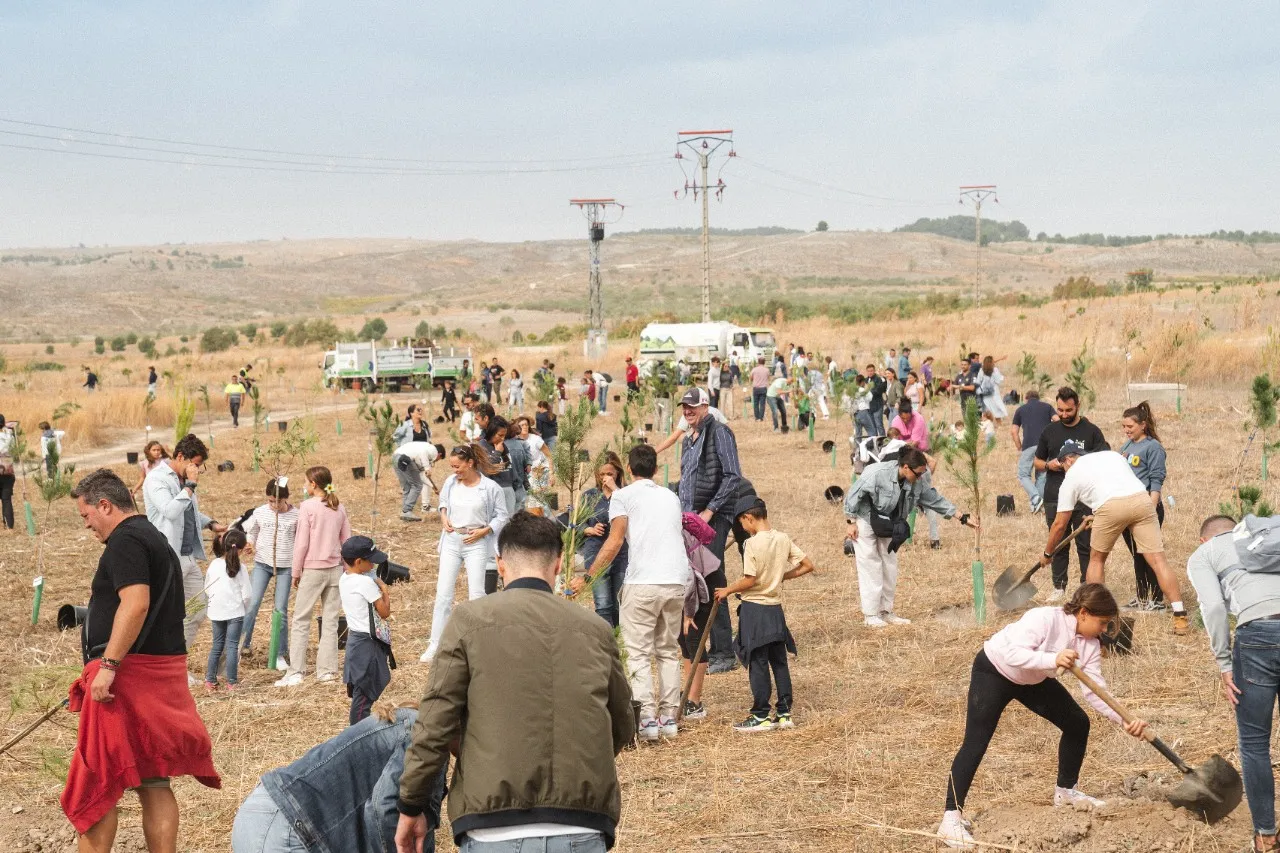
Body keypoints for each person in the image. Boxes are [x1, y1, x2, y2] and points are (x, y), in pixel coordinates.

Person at [395, 512, 634, 853]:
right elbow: (622, 724)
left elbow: (434, 726)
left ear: (501, 564)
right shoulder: (594, 628)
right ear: (558, 564)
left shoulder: (468, 621)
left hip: (492, 827)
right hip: (583, 822)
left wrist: (411, 804)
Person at [65, 468, 220, 851]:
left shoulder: (126, 541)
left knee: (98, 781)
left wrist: (109, 666)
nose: (88, 527)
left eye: (87, 516)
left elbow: (135, 604)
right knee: (153, 779)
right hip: (158, 673)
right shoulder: (156, 539)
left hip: (126, 678)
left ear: (105, 505)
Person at [937, 585, 1149, 849]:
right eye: (1102, 622)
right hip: (995, 671)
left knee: (1077, 723)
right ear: (1083, 613)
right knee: (976, 743)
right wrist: (1053, 658)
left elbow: (1095, 691)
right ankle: (950, 820)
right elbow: (1012, 654)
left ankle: (1066, 793)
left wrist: (1125, 719)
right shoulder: (1045, 618)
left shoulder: (1090, 643)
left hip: (1033, 678)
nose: (1104, 630)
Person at [577, 444, 690, 740]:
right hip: (676, 580)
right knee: (667, 650)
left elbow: (614, 542)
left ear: (628, 470)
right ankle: (670, 717)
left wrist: (587, 577)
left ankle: (647, 719)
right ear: (655, 469)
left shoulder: (622, 497)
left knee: (638, 652)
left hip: (643, 582)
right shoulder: (670, 496)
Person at [232, 703, 447, 853]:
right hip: (289, 831)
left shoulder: (398, 722)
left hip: (258, 815)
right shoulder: (429, 740)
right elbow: (388, 811)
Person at [1186, 515, 1280, 853]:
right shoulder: (1270, 540)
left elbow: (1213, 607)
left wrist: (1224, 662)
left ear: (1204, 539)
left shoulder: (1206, 554)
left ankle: (1266, 837)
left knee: (1255, 744)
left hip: (1256, 636)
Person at [1042, 441, 1188, 634]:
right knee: (1158, 560)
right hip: (1141, 500)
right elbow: (1119, 488)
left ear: (1068, 460)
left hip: (1110, 507)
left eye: (1062, 466)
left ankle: (1098, 616)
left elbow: (1060, 523)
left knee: (1096, 560)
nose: (1063, 470)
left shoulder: (1071, 476)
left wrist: (1048, 552)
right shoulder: (1111, 455)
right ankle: (1180, 617)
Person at [843, 447, 976, 627]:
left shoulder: (916, 482)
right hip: (865, 519)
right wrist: (850, 521)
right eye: (918, 473)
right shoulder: (877, 472)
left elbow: (933, 499)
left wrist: (962, 517)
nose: (920, 477)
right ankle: (871, 615)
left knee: (889, 565)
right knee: (871, 564)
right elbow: (853, 493)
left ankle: (886, 611)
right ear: (905, 467)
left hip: (890, 522)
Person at [716, 497, 815, 733]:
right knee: (779, 662)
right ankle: (783, 713)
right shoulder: (782, 538)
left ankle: (760, 715)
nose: (742, 529)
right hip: (775, 609)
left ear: (748, 517)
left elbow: (750, 579)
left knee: (757, 662)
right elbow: (807, 565)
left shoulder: (752, 544)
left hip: (755, 610)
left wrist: (728, 590)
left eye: (742, 523)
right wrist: (781, 576)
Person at [676, 387, 744, 675]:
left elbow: (732, 476)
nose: (688, 411)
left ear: (706, 406)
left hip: (712, 519)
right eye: (684, 407)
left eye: (693, 406)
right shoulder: (689, 440)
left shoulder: (719, 432)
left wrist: (711, 510)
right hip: (691, 520)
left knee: (711, 581)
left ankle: (724, 652)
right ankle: (710, 647)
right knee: (698, 581)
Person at [422, 445, 510, 662]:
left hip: (476, 543)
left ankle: (478, 643)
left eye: (457, 466)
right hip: (453, 541)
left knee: (476, 594)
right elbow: (443, 502)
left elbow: (502, 516)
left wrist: (485, 530)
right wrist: (444, 517)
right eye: (452, 466)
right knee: (443, 594)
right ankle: (435, 643)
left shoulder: (490, 488)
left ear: (470, 463)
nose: (454, 471)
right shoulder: (451, 482)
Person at [144, 433, 224, 657]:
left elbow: (189, 512)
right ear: (181, 457)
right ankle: (165, 665)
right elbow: (170, 511)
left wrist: (211, 524)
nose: (197, 470)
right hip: (169, 557)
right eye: (196, 465)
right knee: (170, 614)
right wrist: (190, 485)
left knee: (197, 610)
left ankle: (179, 663)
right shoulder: (156, 479)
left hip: (188, 556)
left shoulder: (183, 481)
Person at [277, 466, 352, 687]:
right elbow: (347, 541)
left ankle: (296, 671)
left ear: (313, 484)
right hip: (335, 570)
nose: (304, 485)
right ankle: (327, 671)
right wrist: (346, 568)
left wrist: (296, 571)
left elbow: (301, 543)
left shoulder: (307, 507)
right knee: (330, 622)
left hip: (312, 570)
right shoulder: (339, 507)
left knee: (301, 620)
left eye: (305, 482)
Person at [1033, 387, 1110, 601]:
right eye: (1060, 410)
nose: (1064, 414)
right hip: (1055, 495)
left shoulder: (1091, 431)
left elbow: (1104, 458)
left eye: (1069, 410)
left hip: (1085, 497)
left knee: (1086, 543)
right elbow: (1037, 461)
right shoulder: (1050, 431)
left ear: (1077, 406)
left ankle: (1086, 586)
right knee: (1057, 542)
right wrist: (1049, 465)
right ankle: (1058, 587)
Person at [241, 478, 298, 668]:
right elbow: (252, 531)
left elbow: (300, 540)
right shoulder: (260, 512)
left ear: (286, 499)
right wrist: (250, 543)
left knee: (280, 609)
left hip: (285, 566)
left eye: (279, 502)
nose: (274, 505)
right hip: (262, 563)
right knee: (251, 602)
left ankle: (280, 653)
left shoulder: (296, 516)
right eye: (271, 501)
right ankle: (242, 644)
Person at [1119, 401, 1168, 611]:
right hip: (1128, 509)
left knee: (1150, 556)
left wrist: (1151, 508)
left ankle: (1157, 600)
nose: (1126, 430)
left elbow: (1156, 479)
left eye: (1130, 426)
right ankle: (1141, 597)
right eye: (1124, 427)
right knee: (1137, 556)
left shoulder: (1153, 447)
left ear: (1142, 425)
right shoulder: (1127, 447)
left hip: (1147, 508)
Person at [340, 536, 394, 725]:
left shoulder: (345, 578)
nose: (373, 564)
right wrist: (384, 590)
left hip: (355, 640)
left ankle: (357, 731)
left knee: (359, 695)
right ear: (358, 562)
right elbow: (385, 612)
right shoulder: (365, 584)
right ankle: (357, 734)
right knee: (363, 698)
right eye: (370, 560)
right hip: (367, 645)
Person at [577, 455, 629, 627]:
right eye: (602, 474)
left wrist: (617, 491)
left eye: (610, 473)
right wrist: (588, 529)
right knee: (602, 604)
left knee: (618, 604)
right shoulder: (590, 496)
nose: (606, 477)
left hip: (621, 555)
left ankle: (619, 643)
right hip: (595, 553)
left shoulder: (626, 494)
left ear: (618, 473)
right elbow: (574, 523)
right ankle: (605, 642)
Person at [204, 528, 251, 692]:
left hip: (216, 611)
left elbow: (208, 588)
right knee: (232, 646)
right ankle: (232, 682)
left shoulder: (214, 564)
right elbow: (247, 595)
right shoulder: (241, 568)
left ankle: (210, 680)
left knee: (217, 645)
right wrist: (243, 608)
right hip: (235, 612)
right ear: (239, 550)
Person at [1011, 389, 1054, 514]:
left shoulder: (1021, 409)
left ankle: (1035, 497)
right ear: (1038, 398)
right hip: (1046, 445)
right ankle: (1039, 506)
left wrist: (1019, 446)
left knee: (1023, 474)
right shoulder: (1047, 407)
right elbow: (1057, 420)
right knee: (1042, 474)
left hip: (1029, 445)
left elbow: (1014, 431)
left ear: (1026, 398)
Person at [393, 441, 444, 522]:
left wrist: (433, 487)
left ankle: (405, 513)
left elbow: (420, 476)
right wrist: (427, 468)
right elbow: (422, 452)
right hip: (405, 459)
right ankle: (407, 511)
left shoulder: (419, 451)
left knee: (407, 487)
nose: (436, 461)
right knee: (417, 486)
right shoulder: (433, 449)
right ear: (439, 454)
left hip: (396, 458)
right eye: (439, 459)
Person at [976, 356, 1007, 423]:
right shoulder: (995, 370)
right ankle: (999, 424)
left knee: (986, 409)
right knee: (996, 409)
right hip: (994, 392)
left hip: (985, 392)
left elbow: (978, 381)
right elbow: (998, 380)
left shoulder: (981, 370)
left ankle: (988, 424)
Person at [864, 364, 887, 437]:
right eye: (868, 371)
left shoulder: (878, 379)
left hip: (878, 406)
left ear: (874, 371)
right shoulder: (865, 380)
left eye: (871, 371)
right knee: (872, 426)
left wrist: (868, 392)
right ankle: (875, 441)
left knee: (879, 424)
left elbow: (878, 390)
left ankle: (883, 440)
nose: (870, 372)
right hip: (869, 407)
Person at [0, 415, 14, 530]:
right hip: (8, 471)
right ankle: (9, 525)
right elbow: (14, 450)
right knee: (7, 500)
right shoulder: (10, 437)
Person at [750, 357, 770, 421]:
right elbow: (768, 377)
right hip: (763, 388)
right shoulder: (767, 370)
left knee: (755, 403)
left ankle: (756, 417)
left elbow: (751, 378)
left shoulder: (754, 369)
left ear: (758, 362)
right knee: (762, 403)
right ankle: (761, 417)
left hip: (756, 388)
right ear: (764, 362)